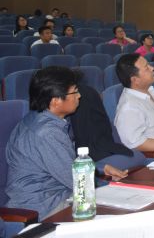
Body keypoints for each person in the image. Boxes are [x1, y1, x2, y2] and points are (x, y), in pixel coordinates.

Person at [4, 67, 128, 220]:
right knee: (119, 214)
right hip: (43, 206)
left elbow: (64, 164)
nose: (79, 96)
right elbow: (76, 181)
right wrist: (109, 187)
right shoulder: (47, 133)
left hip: (57, 195)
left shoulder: (41, 119)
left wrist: (101, 168)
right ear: (55, 100)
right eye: (74, 92)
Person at [70, 84, 147, 171]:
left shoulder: (86, 92)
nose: (78, 96)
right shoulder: (84, 93)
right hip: (92, 156)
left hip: (101, 148)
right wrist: (100, 168)